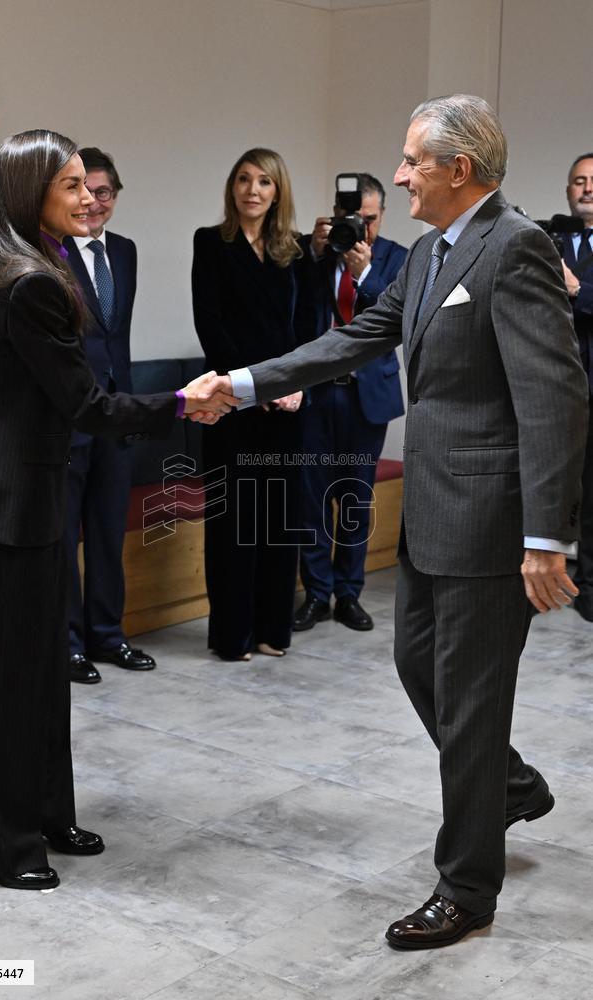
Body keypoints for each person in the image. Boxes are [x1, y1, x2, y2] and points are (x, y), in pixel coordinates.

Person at [205, 96, 588, 946]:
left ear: (460, 168)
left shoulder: (515, 245)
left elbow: (555, 399)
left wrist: (544, 537)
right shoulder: (427, 255)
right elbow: (355, 339)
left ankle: (467, 888)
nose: (401, 174)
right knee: (424, 672)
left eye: (413, 161)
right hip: (430, 518)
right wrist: (240, 385)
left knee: (475, 704)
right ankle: (511, 787)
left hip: (490, 527)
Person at [0, 129, 234, 891]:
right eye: (70, 185)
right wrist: (179, 402)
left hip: (23, 495)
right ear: (31, 194)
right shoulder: (26, 279)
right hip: (3, 499)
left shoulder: (33, 260)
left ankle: (42, 814)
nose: (87, 197)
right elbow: (84, 403)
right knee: (3, 683)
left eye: (88, 184)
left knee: (40, 672)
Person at [191, 147, 316, 661]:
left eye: (264, 181)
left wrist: (298, 383)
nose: (252, 190)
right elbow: (210, 325)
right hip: (232, 405)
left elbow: (310, 327)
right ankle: (232, 635)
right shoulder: (210, 243)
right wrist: (254, 386)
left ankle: (272, 629)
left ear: (278, 190)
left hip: (287, 406)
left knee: (278, 521)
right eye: (243, 179)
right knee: (234, 524)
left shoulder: (298, 250)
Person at [294, 173, 406, 633]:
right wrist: (317, 254)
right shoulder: (311, 253)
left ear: (381, 216)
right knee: (311, 500)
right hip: (317, 395)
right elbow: (291, 305)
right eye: (350, 218)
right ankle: (316, 594)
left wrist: (364, 274)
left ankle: (348, 594)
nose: (359, 229)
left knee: (355, 501)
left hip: (366, 398)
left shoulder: (398, 258)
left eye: (369, 220)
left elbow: (397, 317)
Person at [63, 147, 152, 685]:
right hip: (71, 414)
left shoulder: (125, 251)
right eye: (83, 191)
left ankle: (108, 634)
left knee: (106, 531)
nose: (94, 202)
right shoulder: (48, 252)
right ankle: (69, 644)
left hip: (118, 413)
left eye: (104, 192)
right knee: (66, 535)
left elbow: (116, 338)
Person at [560, 152, 593, 620]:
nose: (587, 188)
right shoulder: (549, 240)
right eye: (579, 181)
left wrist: (576, 290)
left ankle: (588, 583)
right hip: (554, 387)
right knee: (555, 485)